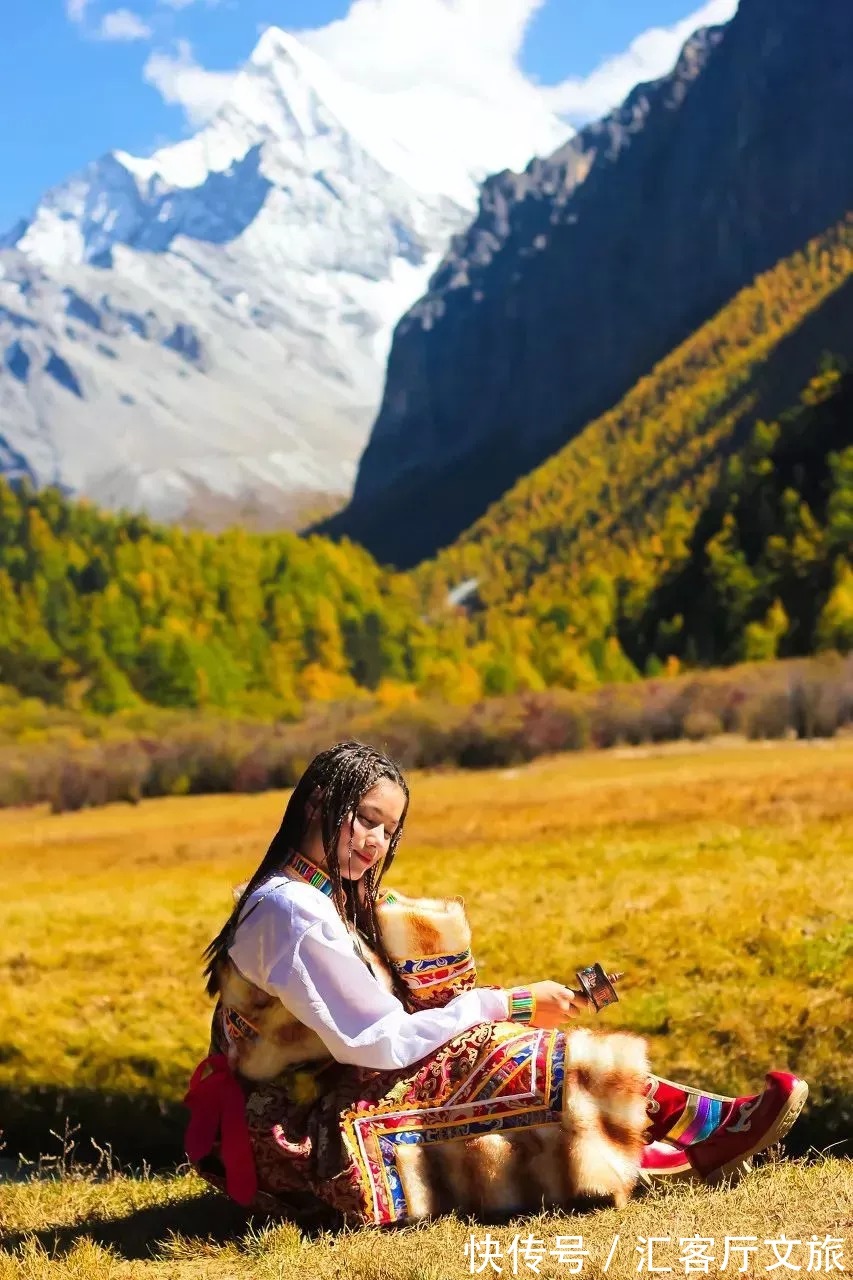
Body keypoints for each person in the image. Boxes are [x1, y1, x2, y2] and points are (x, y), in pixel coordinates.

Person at [185, 741, 808, 1227]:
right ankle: (698, 1130)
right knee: (488, 1051)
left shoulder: (314, 899)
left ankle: (659, 1141)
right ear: (319, 802)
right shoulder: (293, 911)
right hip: (297, 1137)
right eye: (365, 819)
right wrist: (500, 1003)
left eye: (388, 829)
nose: (376, 842)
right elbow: (376, 1042)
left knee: (479, 1044)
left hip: (323, 1096)